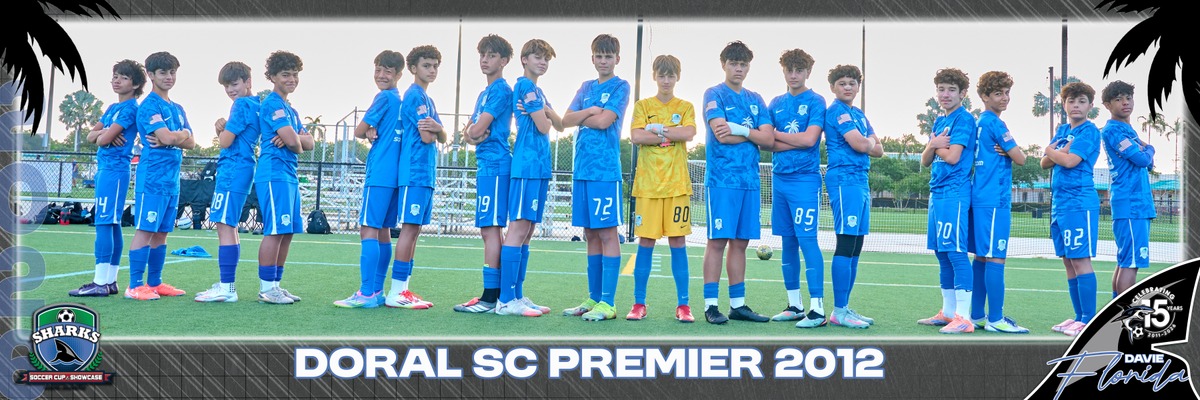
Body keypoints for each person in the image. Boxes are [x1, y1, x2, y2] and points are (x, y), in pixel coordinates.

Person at [699, 41, 775, 324]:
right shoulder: (714, 94)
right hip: (722, 180)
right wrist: (752, 134)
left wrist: (740, 129)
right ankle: (711, 305)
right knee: (717, 241)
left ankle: (738, 305)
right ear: (724, 65)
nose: (739, 69)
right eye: (734, 63)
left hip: (749, 181)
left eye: (743, 64)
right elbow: (721, 135)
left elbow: (768, 139)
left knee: (741, 243)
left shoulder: (756, 99)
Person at [561, 34, 631, 322]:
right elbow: (565, 120)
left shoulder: (620, 86)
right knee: (590, 233)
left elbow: (604, 122)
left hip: (605, 171)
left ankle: (608, 303)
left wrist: (582, 116)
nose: (603, 61)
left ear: (617, 59)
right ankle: (594, 297)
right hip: (582, 170)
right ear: (592, 58)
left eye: (608, 56)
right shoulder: (586, 87)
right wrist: (590, 111)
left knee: (607, 233)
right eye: (599, 56)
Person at [627, 54, 698, 322]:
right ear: (654, 76)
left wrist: (656, 130)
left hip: (677, 185)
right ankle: (638, 303)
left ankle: (684, 305)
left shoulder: (686, 106)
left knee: (678, 242)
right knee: (646, 241)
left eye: (670, 75)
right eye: (662, 75)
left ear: (677, 77)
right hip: (648, 186)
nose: (666, 80)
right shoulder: (643, 105)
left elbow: (688, 133)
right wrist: (670, 132)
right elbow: (636, 136)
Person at [495, 39, 563, 317]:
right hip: (526, 166)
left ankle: (518, 295)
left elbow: (560, 124)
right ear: (524, 60)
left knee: (528, 231)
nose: (542, 62)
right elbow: (545, 126)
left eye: (546, 58)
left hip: (539, 167)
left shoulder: (538, 91)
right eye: (537, 57)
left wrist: (546, 111)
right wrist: (545, 113)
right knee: (518, 229)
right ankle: (505, 300)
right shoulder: (524, 86)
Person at [333, 50, 405, 308]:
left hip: (380, 172)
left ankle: (366, 293)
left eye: (388, 71)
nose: (381, 75)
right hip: (396, 174)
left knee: (368, 229)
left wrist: (368, 129)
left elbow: (359, 130)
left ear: (399, 74)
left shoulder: (384, 97)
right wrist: (373, 129)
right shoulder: (400, 100)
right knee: (383, 231)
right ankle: (376, 290)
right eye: (378, 70)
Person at [69, 59, 144, 297]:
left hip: (115, 170)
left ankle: (101, 281)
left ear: (135, 84)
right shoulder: (113, 107)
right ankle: (109, 281)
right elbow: (92, 136)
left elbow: (101, 140)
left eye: (123, 77)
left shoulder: (130, 108)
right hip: (105, 169)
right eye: (115, 76)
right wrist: (104, 132)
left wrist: (102, 135)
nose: (116, 80)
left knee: (105, 222)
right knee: (111, 222)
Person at [126, 51, 196, 301]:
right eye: (163, 72)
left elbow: (191, 143)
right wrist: (179, 135)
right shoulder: (149, 106)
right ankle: (134, 286)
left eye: (172, 72)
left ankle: (154, 283)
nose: (169, 77)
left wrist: (178, 135)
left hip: (171, 181)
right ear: (151, 75)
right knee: (146, 230)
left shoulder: (177, 108)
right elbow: (166, 137)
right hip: (152, 179)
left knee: (162, 232)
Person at [766, 49, 827, 326]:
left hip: (804, 179)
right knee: (787, 242)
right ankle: (795, 305)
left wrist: (778, 136)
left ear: (808, 72)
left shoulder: (816, 101)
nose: (793, 75)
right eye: (789, 70)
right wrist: (789, 140)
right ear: (783, 71)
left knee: (807, 240)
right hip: (780, 179)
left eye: (799, 70)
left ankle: (817, 309)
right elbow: (766, 143)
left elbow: (810, 140)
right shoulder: (775, 103)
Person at [455, 35, 515, 314]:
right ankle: (495, 293)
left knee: (491, 229)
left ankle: (490, 297)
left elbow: (476, 130)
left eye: (491, 55)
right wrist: (473, 134)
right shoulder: (484, 93)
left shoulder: (501, 90)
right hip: (486, 165)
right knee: (488, 229)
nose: (485, 60)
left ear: (504, 61)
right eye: (482, 54)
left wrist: (474, 133)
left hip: (496, 165)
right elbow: (468, 133)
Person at [822, 64, 884, 328]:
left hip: (861, 180)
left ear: (859, 86)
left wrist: (866, 143)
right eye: (842, 83)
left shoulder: (858, 114)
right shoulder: (836, 111)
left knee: (856, 245)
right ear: (833, 87)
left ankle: (845, 307)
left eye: (852, 83)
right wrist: (867, 142)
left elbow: (879, 149)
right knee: (846, 243)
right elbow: (862, 144)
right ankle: (838, 311)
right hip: (844, 179)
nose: (848, 87)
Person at [967, 71, 1030, 333]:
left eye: (1006, 93)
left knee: (982, 256)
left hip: (981, 196)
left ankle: (976, 315)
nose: (1004, 98)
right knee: (995, 257)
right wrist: (1010, 151)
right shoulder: (995, 123)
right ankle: (995, 319)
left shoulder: (979, 122)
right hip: (994, 198)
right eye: (997, 93)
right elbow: (1021, 158)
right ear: (984, 96)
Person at [194, 61, 262, 303]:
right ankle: (227, 285)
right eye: (226, 86)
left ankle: (227, 287)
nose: (231, 90)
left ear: (248, 82)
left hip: (233, 169)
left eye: (234, 84)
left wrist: (218, 127)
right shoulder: (257, 104)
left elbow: (225, 141)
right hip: (244, 168)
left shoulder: (242, 104)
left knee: (224, 225)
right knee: (229, 225)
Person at [918, 68, 978, 334]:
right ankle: (948, 312)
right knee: (941, 253)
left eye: (951, 89)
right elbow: (925, 160)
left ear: (962, 93)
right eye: (941, 89)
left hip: (955, 192)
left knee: (955, 251)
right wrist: (932, 145)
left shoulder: (964, 119)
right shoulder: (939, 121)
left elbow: (953, 157)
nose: (945, 94)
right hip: (937, 192)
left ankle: (964, 317)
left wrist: (935, 145)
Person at [386, 45, 447, 309]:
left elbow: (442, 135)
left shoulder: (427, 98)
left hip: (425, 173)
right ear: (413, 68)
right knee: (409, 230)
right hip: (414, 172)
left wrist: (439, 128)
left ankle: (405, 289)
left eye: (435, 66)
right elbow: (428, 136)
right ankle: (396, 292)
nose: (432, 70)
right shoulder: (414, 96)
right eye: (426, 65)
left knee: (416, 231)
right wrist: (438, 130)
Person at [1040, 82, 1101, 337]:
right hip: (1060, 204)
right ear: (1063, 104)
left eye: (1081, 101)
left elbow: (1068, 161)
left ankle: (1088, 320)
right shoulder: (1063, 130)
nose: (1076, 105)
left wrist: (1051, 151)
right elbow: (1044, 163)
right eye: (1071, 101)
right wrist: (1054, 153)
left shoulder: (1090, 132)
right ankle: (1077, 317)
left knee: (1080, 260)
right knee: (1068, 261)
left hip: (1079, 203)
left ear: (1090, 106)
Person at [255, 50, 315, 304]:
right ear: (272, 77)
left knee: (287, 231)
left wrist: (295, 138)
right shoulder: (272, 104)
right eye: (285, 75)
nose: (291, 79)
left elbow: (309, 143)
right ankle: (267, 288)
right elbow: (296, 144)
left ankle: (276, 284)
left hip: (288, 174)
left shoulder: (290, 109)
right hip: (273, 174)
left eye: (295, 74)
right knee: (275, 230)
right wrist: (295, 139)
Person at [1099, 80, 1155, 298]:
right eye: (1118, 99)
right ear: (1107, 105)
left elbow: (1146, 161)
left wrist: (1146, 153)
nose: (1125, 102)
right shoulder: (1114, 131)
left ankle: (1117, 311)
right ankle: (1127, 313)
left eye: (1128, 98)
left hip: (1134, 203)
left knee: (1126, 261)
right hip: (1132, 203)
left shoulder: (1126, 129)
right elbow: (1143, 159)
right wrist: (1151, 149)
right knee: (1131, 263)